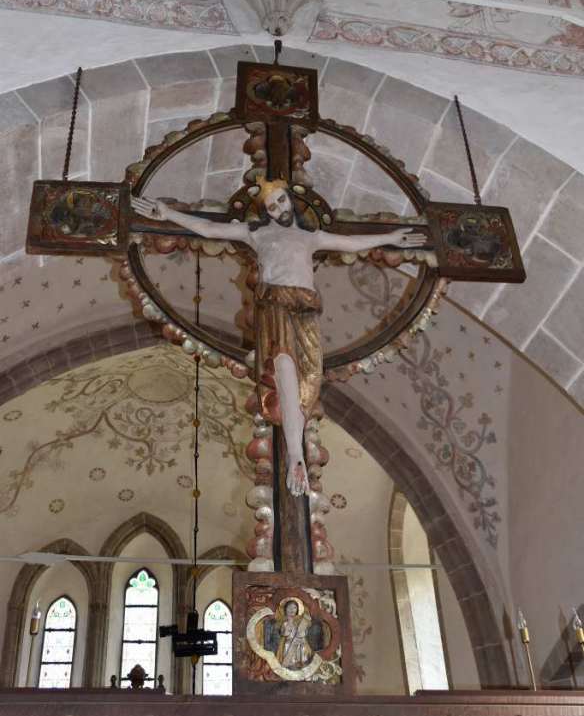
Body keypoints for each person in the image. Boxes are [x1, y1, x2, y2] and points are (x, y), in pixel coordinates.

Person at [131, 179, 426, 496]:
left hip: (306, 308)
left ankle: (296, 446)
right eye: (271, 206)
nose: (278, 208)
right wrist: (169, 214)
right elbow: (210, 229)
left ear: (291, 200)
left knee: (307, 379)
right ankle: (295, 453)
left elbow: (352, 243)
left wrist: (391, 237)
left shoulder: (312, 236)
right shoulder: (257, 234)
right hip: (274, 304)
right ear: (266, 212)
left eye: (281, 201)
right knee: (283, 365)